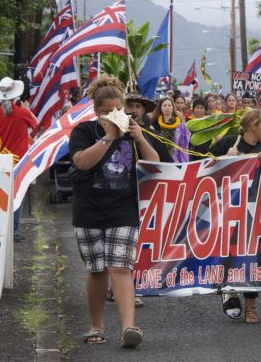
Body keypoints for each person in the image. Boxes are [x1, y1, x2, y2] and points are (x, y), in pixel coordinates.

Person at [69, 75, 159, 347]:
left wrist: (140, 138)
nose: (114, 115)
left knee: (120, 266)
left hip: (123, 208)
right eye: (107, 111)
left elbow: (154, 163)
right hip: (89, 210)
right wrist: (109, 136)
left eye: (118, 110)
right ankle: (96, 326)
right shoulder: (83, 131)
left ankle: (129, 327)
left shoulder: (132, 132)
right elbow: (82, 163)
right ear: (97, 112)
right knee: (97, 270)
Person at [209, 109, 261, 324]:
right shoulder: (229, 143)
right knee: (231, 252)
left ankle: (251, 306)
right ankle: (230, 291)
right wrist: (222, 159)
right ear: (253, 125)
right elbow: (202, 165)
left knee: (254, 258)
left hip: (256, 212)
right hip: (230, 209)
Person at [0, 77, 37, 242]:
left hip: (0, 159)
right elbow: (36, 126)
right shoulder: (23, 113)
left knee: (0, 196)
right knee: (18, 195)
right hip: (19, 160)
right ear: (15, 95)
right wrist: (27, 109)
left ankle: (1, 228)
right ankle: (14, 230)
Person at [152, 96, 191, 162]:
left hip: (177, 160)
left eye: (169, 105)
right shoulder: (154, 125)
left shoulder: (181, 125)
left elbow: (185, 145)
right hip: (160, 159)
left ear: (173, 107)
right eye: (164, 106)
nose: (167, 107)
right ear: (160, 108)